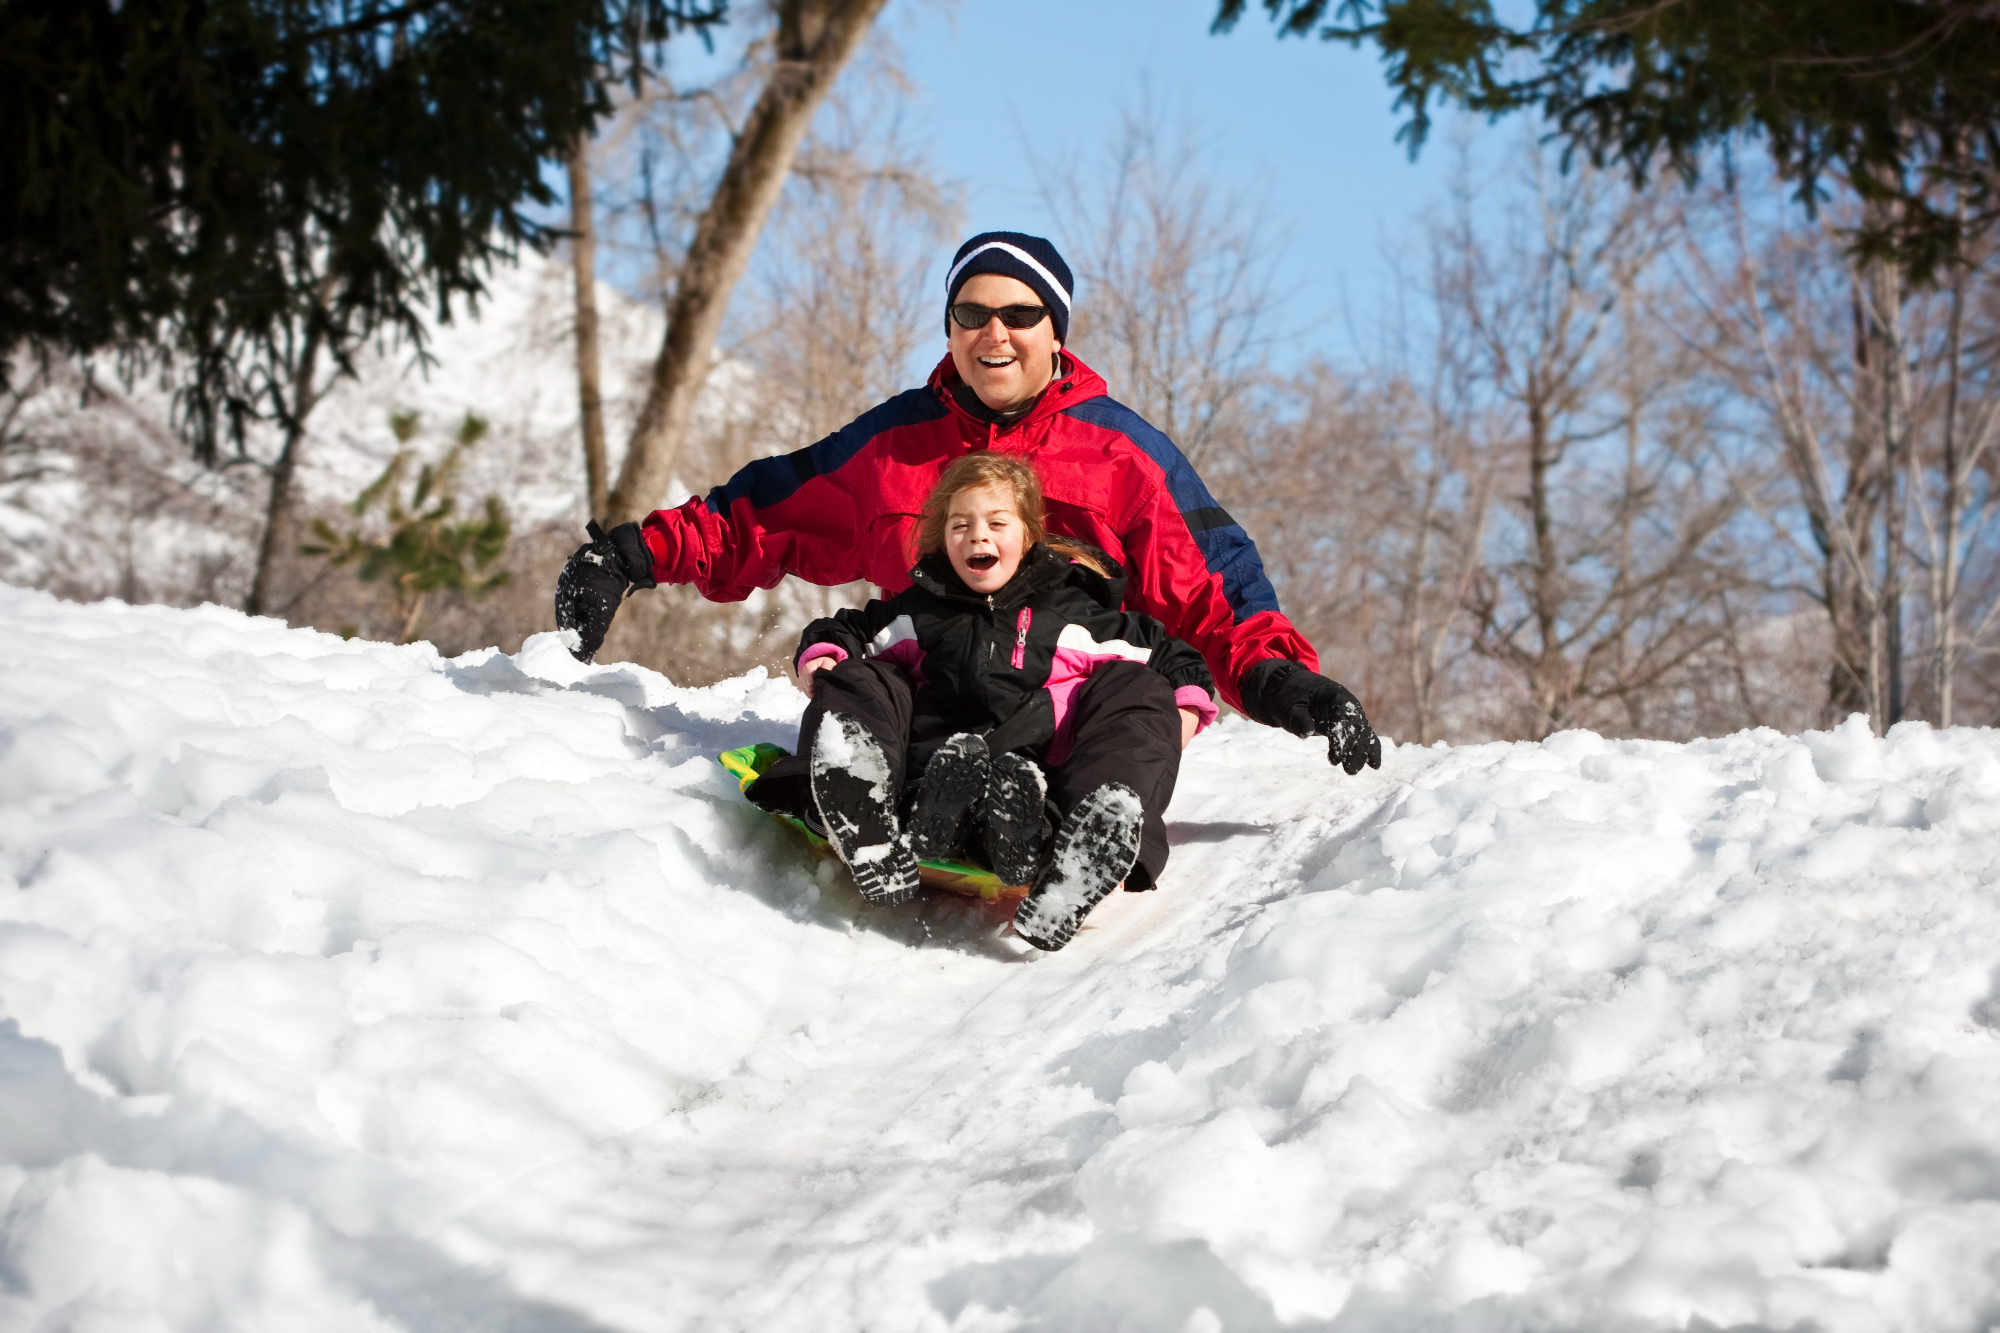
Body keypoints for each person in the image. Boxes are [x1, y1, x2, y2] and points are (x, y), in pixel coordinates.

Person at [556, 230, 1380, 836]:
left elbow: (1212, 589)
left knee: (1142, 695)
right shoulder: (895, 446)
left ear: (1055, 332)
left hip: (1065, 725)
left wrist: (1287, 687)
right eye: (972, 312)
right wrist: (631, 555)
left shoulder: (1122, 454)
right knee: (861, 668)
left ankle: (1096, 821)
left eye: (1020, 313)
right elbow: (767, 514)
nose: (995, 333)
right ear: (950, 329)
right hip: (932, 710)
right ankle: (860, 788)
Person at [748, 452, 1216, 949]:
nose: (978, 536)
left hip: (1038, 794)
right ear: (943, 538)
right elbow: (847, 630)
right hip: (923, 780)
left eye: (996, 522)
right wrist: (825, 658)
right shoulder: (920, 609)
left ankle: (1084, 848)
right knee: (863, 673)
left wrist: (1183, 711)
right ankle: (860, 804)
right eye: (960, 524)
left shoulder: (1074, 613)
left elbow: (1173, 656)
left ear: (1029, 536)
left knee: (1137, 688)